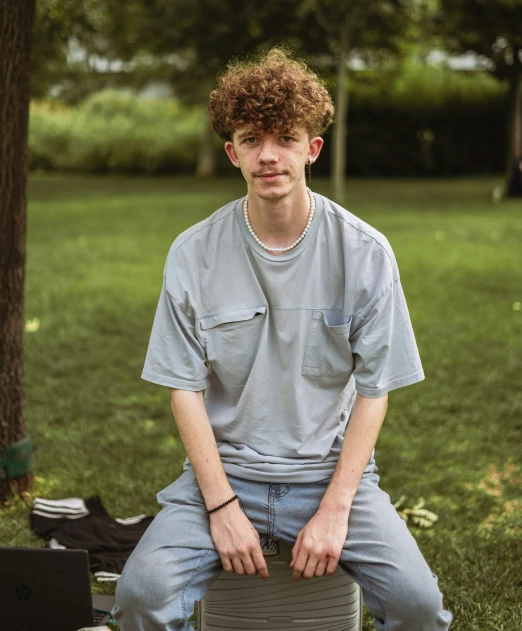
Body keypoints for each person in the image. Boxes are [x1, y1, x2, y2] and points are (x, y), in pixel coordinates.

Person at [113, 48, 453, 631]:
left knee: (419, 607)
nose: (268, 155)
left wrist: (337, 507)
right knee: (140, 595)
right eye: (251, 139)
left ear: (311, 148)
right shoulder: (192, 253)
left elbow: (375, 390)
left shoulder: (366, 253)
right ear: (233, 152)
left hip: (329, 474)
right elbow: (184, 390)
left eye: (286, 138)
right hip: (223, 475)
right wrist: (220, 507)